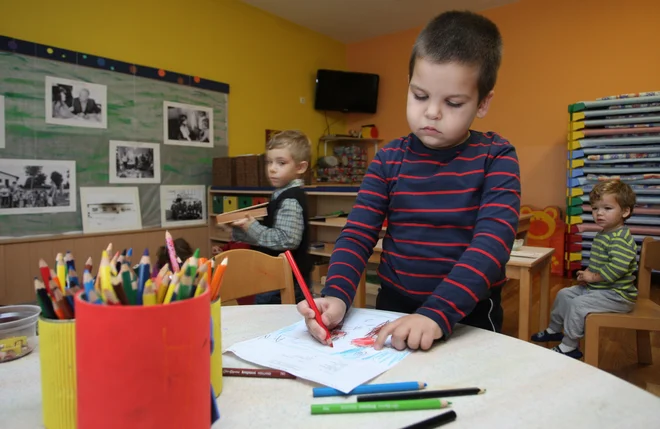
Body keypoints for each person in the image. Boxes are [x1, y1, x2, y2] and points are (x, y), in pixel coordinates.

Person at [297, 10, 521, 351]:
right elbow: (357, 234)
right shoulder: (388, 160)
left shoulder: (496, 156)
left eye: (453, 102)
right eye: (420, 96)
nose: (432, 112)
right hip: (394, 305)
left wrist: (436, 313)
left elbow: (491, 246)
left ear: (483, 102)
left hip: (468, 314)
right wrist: (337, 296)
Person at [531, 180, 638, 358]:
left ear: (625, 211)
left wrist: (593, 277)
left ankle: (570, 345)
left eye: (607, 208)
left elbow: (617, 269)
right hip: (600, 288)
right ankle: (555, 329)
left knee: (578, 305)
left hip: (617, 295)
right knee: (564, 294)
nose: (599, 213)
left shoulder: (620, 239)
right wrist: (587, 274)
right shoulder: (604, 233)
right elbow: (601, 262)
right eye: (595, 208)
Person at [228, 130, 312, 304]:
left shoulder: (290, 199)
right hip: (274, 277)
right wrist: (239, 230)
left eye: (281, 163)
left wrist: (251, 226)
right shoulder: (280, 194)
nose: (272, 169)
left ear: (300, 167)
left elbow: (286, 240)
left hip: (285, 282)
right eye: (269, 162)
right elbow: (269, 234)